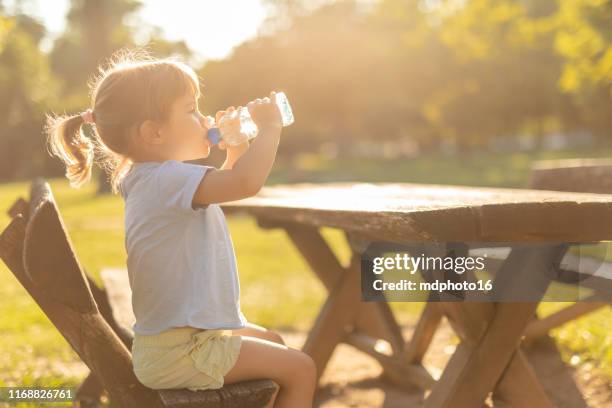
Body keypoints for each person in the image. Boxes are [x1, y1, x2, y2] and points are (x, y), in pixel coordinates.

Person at [45, 49, 316, 408]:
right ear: (153, 132)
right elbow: (245, 182)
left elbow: (229, 181)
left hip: (175, 342)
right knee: (301, 369)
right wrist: (270, 128)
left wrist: (236, 147)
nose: (204, 119)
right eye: (191, 110)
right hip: (183, 352)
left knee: (274, 342)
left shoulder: (150, 178)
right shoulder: (167, 179)